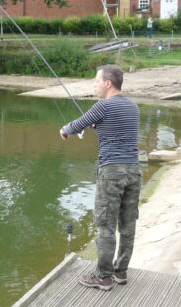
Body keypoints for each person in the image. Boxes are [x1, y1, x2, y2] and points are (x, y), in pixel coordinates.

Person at [60, 64, 142, 290]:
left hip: (111, 172)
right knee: (127, 224)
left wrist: (64, 130)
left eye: (96, 81)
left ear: (108, 83)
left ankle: (103, 276)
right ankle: (121, 271)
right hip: (134, 170)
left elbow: (75, 126)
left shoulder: (102, 106)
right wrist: (99, 127)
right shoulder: (133, 107)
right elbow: (117, 131)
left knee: (105, 224)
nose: (94, 85)